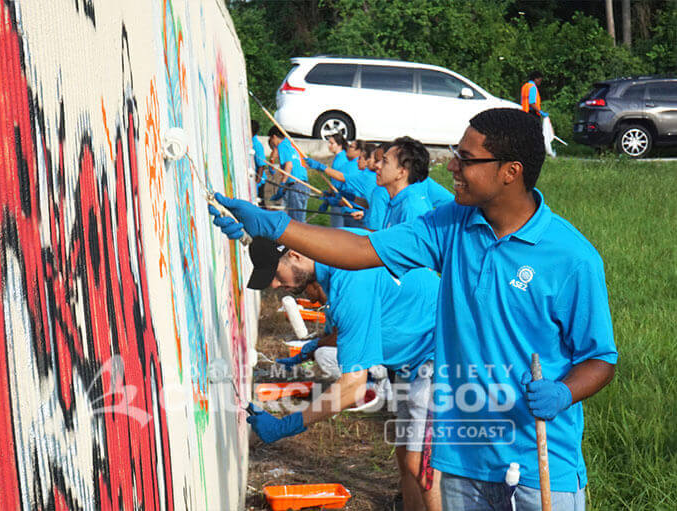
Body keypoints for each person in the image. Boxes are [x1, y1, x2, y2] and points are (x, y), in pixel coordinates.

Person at [210, 108, 617, 511]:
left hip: (537, 465)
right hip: (463, 459)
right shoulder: (451, 225)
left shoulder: (572, 258)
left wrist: (563, 392)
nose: (452, 166)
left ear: (510, 171)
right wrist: (272, 225)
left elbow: (600, 359)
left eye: (466, 159)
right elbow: (361, 249)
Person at [241, 237, 441, 511]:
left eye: (276, 274)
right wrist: (315, 346)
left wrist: (284, 426)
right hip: (410, 364)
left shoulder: (350, 281)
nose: (274, 285)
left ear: (296, 255)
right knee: (406, 456)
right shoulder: (336, 263)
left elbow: (352, 388)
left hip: (438, 357)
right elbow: (354, 324)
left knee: (422, 467)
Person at [377, 137, 453, 228]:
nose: (377, 165)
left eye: (385, 161)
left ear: (401, 172)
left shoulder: (411, 209)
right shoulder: (397, 202)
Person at [267, 126, 309, 222]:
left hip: (296, 186)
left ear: (274, 137)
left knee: (296, 221)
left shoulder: (282, 145)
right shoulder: (289, 144)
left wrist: (282, 184)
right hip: (301, 184)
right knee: (297, 218)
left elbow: (289, 165)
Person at [251, 120, 269, 205]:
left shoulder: (256, 145)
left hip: (259, 181)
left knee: (260, 204)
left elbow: (261, 165)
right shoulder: (250, 142)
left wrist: (257, 181)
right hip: (255, 178)